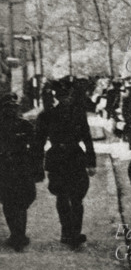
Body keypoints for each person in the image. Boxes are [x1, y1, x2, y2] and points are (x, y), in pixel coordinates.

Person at [34, 80, 96, 249]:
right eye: (61, 96)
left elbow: (87, 138)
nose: (65, 99)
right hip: (57, 159)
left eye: (67, 96)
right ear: (57, 97)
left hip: (75, 158)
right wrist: (37, 166)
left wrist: (91, 161)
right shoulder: (46, 116)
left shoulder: (78, 113)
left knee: (77, 196)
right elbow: (38, 143)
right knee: (62, 195)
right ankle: (67, 232)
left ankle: (75, 232)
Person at [0, 93, 40, 251]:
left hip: (22, 167)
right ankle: (16, 234)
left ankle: (20, 233)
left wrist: (36, 168)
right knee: (8, 201)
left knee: (23, 200)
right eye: (7, 108)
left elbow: (35, 148)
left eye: (14, 107)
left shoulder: (25, 125)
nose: (11, 110)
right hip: (4, 168)